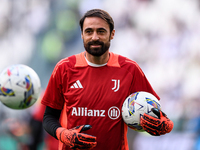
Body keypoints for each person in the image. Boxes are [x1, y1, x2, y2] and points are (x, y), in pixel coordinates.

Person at [41, 9, 174, 150]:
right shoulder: (64, 68)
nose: (94, 37)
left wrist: (166, 125)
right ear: (81, 35)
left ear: (112, 34)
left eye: (101, 31)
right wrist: (63, 134)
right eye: (89, 31)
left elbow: (156, 111)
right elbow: (48, 117)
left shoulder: (129, 69)